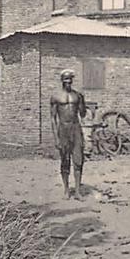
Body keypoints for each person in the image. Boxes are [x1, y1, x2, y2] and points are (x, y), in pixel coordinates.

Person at [50, 69, 86, 200]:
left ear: (72, 80)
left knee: (78, 160)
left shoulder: (77, 95)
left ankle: (77, 191)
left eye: (70, 79)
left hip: (76, 129)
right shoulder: (56, 97)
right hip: (63, 130)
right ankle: (66, 189)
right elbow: (53, 118)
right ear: (62, 80)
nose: (68, 82)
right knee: (65, 161)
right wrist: (56, 138)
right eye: (65, 79)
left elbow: (82, 114)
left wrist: (82, 101)